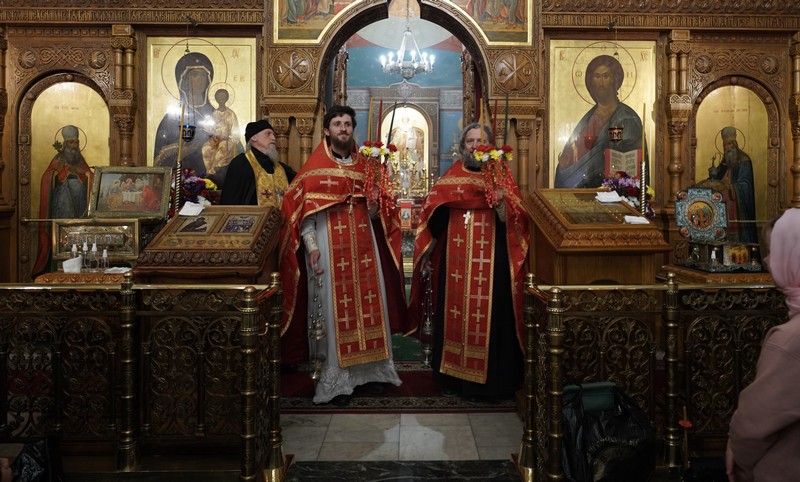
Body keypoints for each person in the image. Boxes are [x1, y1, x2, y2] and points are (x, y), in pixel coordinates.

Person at [279, 105, 409, 406]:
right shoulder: (314, 169)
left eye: (347, 124)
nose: (343, 128)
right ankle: (337, 382)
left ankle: (372, 374)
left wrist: (376, 205)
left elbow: (378, 214)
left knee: (371, 308)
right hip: (328, 249)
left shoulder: (367, 167)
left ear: (353, 129)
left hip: (365, 249)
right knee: (334, 314)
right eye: (337, 124)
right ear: (327, 130)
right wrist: (312, 248)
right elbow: (305, 215)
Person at [408, 122, 531, 402]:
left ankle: (492, 383)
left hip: (493, 264)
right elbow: (434, 216)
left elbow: (518, 221)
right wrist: (427, 252)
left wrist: (501, 204)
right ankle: (452, 377)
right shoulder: (452, 176)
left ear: (490, 146)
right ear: (463, 146)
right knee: (454, 317)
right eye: (470, 141)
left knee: (493, 319)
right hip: (455, 263)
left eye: (480, 141)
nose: (475, 146)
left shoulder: (501, 177)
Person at [726, 209, 800, 482]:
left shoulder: (791, 340)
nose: (767, 260)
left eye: (773, 251)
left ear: (791, 259)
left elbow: (755, 422)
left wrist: (739, 454)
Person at [554, 54, 643, 188]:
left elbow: (633, 159)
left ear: (614, 80)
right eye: (597, 76)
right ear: (591, 82)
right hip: (584, 191)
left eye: (605, 76)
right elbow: (574, 156)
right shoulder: (589, 118)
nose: (601, 82)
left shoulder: (627, 118)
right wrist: (564, 165)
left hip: (614, 190)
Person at [33, 124, 93, 275]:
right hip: (61, 207)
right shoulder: (58, 159)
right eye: (71, 142)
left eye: (76, 142)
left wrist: (82, 173)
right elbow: (47, 178)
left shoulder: (80, 160)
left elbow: (89, 175)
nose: (74, 146)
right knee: (61, 240)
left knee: (79, 241)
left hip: (79, 205)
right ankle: (58, 270)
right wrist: (58, 172)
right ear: (65, 144)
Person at [153, 52, 216, 182]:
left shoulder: (217, 116)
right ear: (184, 80)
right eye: (195, 75)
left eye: (203, 75)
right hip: (179, 182)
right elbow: (159, 159)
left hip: (213, 183)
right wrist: (185, 151)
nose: (200, 80)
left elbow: (233, 150)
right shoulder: (171, 118)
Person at [219, 119, 296, 207]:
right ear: (254, 137)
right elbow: (231, 200)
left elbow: (300, 182)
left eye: (273, 135)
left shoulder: (280, 167)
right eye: (268, 134)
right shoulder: (241, 163)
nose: (273, 138)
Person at [702, 127, 757, 243]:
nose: (727, 147)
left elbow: (746, 185)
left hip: (736, 204)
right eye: (725, 145)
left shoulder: (744, 160)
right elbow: (716, 178)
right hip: (722, 201)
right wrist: (710, 179)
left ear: (735, 144)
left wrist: (730, 187)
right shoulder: (724, 162)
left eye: (730, 144)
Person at [202, 88, 244, 184]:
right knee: (206, 148)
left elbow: (235, 130)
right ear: (216, 99)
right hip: (215, 139)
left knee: (222, 148)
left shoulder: (231, 114)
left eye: (223, 97)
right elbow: (210, 129)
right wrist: (213, 135)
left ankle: (217, 172)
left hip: (227, 140)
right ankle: (209, 171)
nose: (221, 99)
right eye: (219, 97)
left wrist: (228, 138)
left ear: (226, 98)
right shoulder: (214, 114)